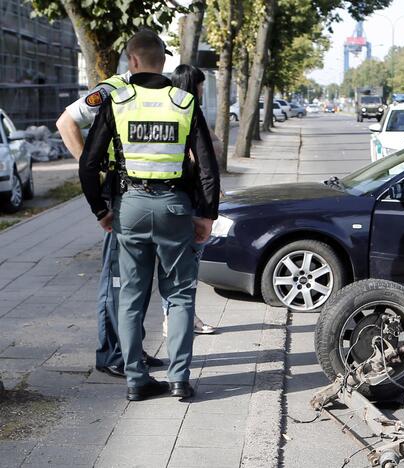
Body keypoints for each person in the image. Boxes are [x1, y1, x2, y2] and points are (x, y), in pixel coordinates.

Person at [78, 29, 220, 401]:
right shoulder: (184, 102)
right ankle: (179, 380)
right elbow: (207, 166)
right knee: (180, 295)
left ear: (133, 60)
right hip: (175, 207)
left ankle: (136, 381)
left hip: (131, 206)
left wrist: (100, 209)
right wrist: (206, 215)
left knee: (132, 296)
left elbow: (89, 163)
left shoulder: (118, 101)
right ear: (163, 61)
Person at [56, 47, 165, 379]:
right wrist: (90, 168)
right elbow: (66, 122)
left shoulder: (155, 92)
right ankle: (111, 353)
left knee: (139, 281)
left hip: (142, 201)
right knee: (118, 280)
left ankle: (131, 348)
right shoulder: (112, 90)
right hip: (119, 200)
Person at [164, 63, 219, 336]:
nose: (202, 90)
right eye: (200, 85)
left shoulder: (167, 109)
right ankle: (182, 319)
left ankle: (173, 317)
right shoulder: (189, 111)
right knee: (186, 266)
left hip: (166, 198)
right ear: (193, 86)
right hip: (189, 199)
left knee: (170, 266)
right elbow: (204, 159)